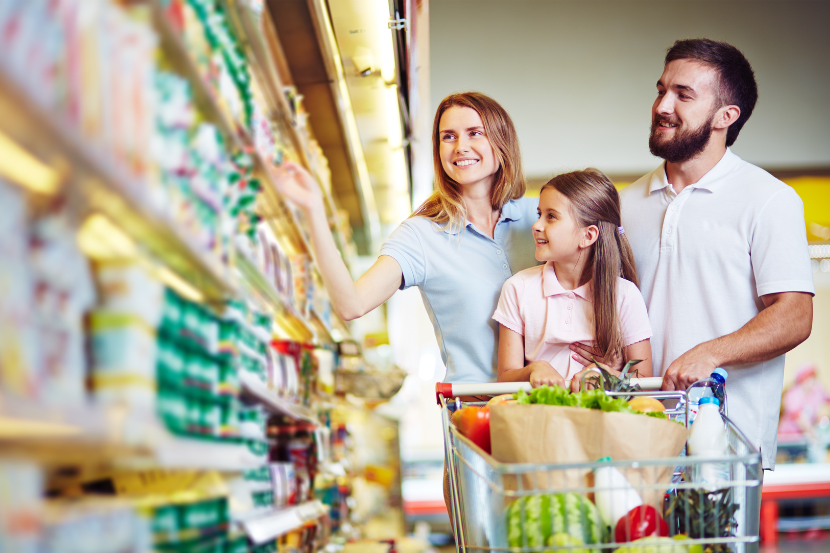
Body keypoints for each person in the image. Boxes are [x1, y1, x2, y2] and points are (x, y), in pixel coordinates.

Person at [617, 38, 814, 473]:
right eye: (661, 89)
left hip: (727, 448)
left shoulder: (769, 199)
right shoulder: (624, 205)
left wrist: (711, 353)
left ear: (727, 116)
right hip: (639, 441)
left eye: (683, 95)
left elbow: (796, 315)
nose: (663, 105)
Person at [272, 91, 539, 384]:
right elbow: (352, 304)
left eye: (475, 133)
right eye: (448, 137)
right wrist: (314, 210)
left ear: (502, 141)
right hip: (477, 416)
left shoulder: (540, 217)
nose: (461, 147)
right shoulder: (422, 235)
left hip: (556, 407)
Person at [494, 169, 653, 391]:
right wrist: (533, 369)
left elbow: (645, 380)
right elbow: (505, 378)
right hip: (539, 418)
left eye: (551, 216)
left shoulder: (625, 295)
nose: (537, 225)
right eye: (539, 214)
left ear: (588, 236)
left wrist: (607, 375)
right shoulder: (517, 288)